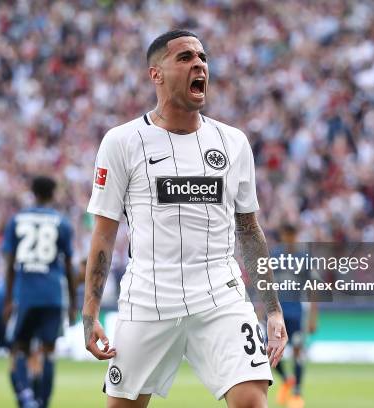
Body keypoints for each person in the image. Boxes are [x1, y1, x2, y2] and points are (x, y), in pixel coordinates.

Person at [82, 29, 287, 408]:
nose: (199, 64)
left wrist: (272, 308)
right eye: (185, 57)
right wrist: (89, 313)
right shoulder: (122, 142)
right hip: (148, 299)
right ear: (155, 74)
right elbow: (104, 234)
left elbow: (249, 228)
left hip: (219, 296)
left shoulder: (233, 142)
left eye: (203, 58)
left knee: (251, 401)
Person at [3, 176, 76, 408]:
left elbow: (9, 264)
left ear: (32, 193)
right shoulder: (61, 223)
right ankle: (43, 402)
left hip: (26, 295)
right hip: (53, 295)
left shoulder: (16, 220)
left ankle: (26, 399)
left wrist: (7, 299)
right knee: (48, 351)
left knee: (19, 350)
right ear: (53, 194)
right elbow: (68, 266)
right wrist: (73, 303)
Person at [271, 225, 318, 408]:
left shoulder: (303, 259)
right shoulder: (274, 256)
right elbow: (266, 285)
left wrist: (313, 316)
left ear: (295, 236)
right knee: (271, 353)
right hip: (277, 314)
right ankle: (286, 379)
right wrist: (261, 310)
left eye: (291, 235)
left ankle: (297, 393)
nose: (288, 238)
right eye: (285, 235)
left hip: (296, 314)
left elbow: (313, 288)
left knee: (298, 351)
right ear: (282, 235)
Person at [0, 281, 44, 407]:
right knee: (34, 355)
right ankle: (34, 400)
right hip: (20, 299)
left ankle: (22, 398)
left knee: (14, 355)